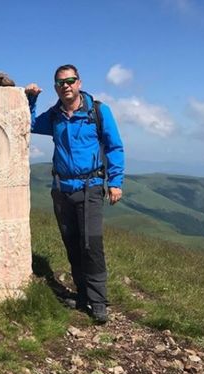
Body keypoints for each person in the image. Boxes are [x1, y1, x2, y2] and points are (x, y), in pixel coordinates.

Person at [25, 64, 124, 323]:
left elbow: (114, 146)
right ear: (56, 87)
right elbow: (31, 123)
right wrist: (31, 99)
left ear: (79, 82)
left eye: (70, 81)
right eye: (60, 82)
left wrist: (115, 181)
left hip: (90, 186)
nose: (66, 85)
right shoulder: (55, 115)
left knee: (91, 244)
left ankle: (98, 300)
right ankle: (82, 295)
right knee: (72, 243)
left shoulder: (97, 111)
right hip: (62, 189)